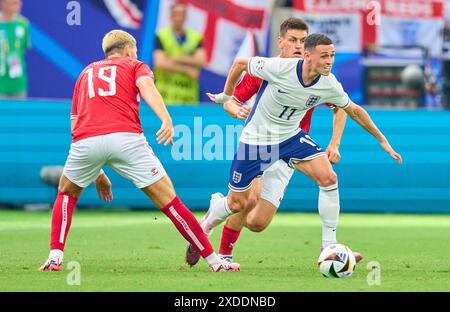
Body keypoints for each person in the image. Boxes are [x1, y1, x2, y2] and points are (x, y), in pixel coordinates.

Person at [189, 33, 403, 267]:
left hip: (290, 137)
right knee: (238, 204)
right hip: (258, 140)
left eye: (332, 55)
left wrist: (381, 139)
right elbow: (240, 64)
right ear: (308, 56)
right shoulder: (281, 68)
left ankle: (328, 245)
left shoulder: (328, 82)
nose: (330, 61)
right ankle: (207, 224)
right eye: (324, 56)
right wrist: (226, 96)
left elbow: (352, 110)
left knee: (328, 177)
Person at [38, 30, 239, 273]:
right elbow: (147, 88)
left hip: (86, 140)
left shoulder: (85, 72)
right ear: (127, 51)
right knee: (171, 202)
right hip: (126, 138)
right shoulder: (135, 65)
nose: (135, 54)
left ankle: (54, 257)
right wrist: (166, 118)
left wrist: (96, 171)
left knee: (66, 194)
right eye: (134, 51)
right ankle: (215, 262)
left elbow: (75, 121)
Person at [153, 2, 206, 105]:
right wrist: (187, 69)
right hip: (166, 96)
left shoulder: (195, 37)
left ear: (186, 17)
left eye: (181, 15)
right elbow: (160, 63)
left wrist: (175, 59)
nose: (179, 18)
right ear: (171, 16)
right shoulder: (161, 35)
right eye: (176, 14)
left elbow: (201, 60)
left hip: (189, 97)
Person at [0, 0, 30, 99]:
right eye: (12, 2)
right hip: (1, 84)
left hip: (18, 84)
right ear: (3, 4)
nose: (18, 6)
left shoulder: (24, 24)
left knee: (19, 113)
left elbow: (24, 48)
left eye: (17, 2)